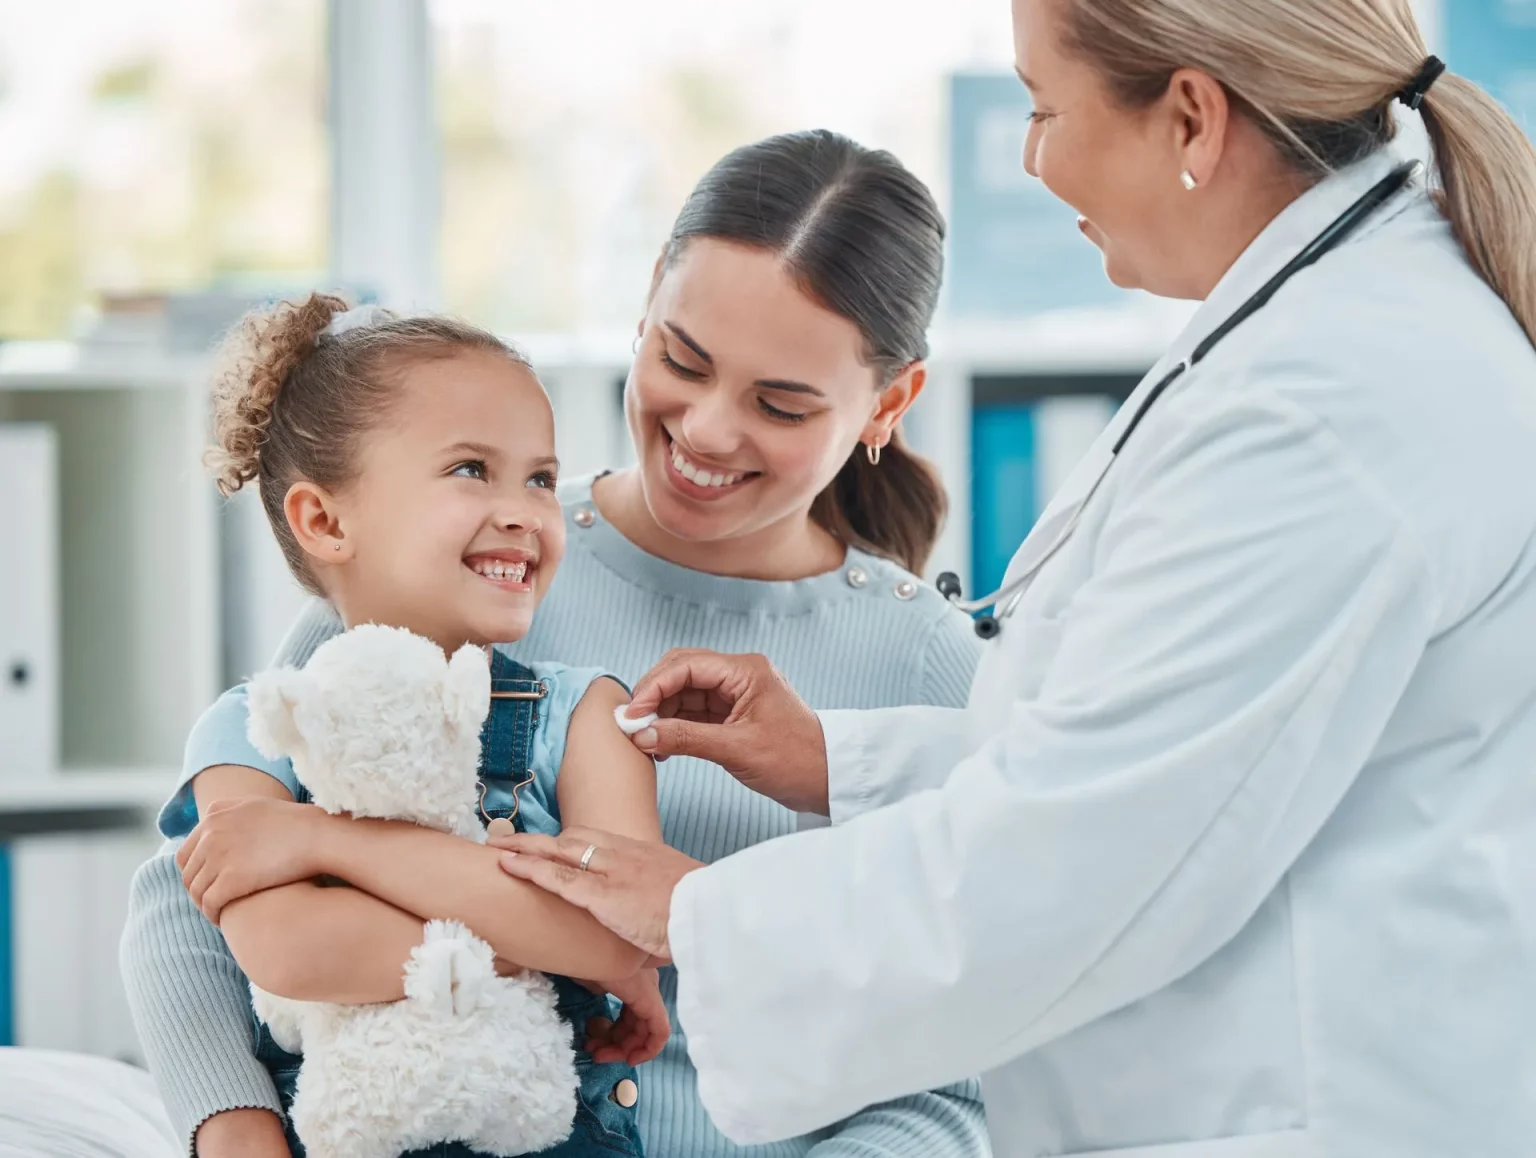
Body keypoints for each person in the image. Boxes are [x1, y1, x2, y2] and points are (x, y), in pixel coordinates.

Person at [489, 2, 1536, 1156]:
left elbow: (1078, 857)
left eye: (1043, 109)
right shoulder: (1327, 334)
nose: (1030, 157)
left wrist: (693, 914)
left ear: (1191, 118)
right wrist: (834, 760)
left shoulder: (1325, 408)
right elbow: (1147, 754)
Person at [119, 131, 991, 1158]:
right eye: (682, 359)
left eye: (780, 404)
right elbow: (192, 900)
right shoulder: (459, 572)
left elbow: (945, 1073)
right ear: (647, 303)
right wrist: (237, 1128)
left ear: (888, 404)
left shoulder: (925, 666)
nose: (708, 430)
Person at [151, 291, 673, 1157]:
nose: (525, 510)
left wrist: (325, 844)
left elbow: (619, 932)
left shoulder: (588, 717)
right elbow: (289, 952)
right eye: (471, 469)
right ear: (325, 520)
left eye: (540, 477)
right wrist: (544, 940)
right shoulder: (250, 732)